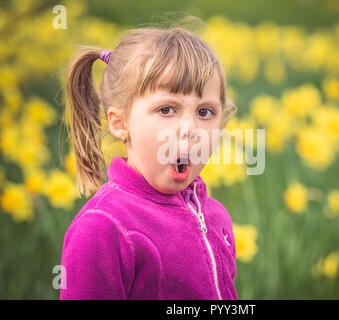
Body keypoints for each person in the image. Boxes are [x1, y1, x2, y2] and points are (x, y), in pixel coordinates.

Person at [59, 22, 239, 299]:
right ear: (120, 124)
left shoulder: (216, 217)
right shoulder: (103, 228)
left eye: (205, 112)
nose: (190, 129)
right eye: (167, 109)